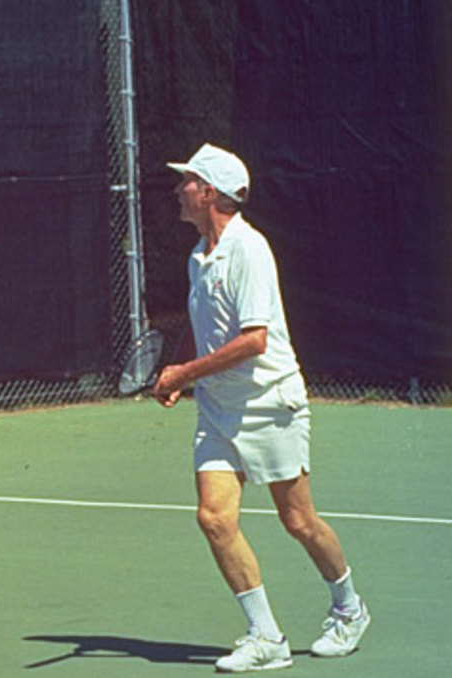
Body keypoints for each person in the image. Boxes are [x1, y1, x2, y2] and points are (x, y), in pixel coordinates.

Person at [152, 143, 370, 672]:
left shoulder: (250, 250)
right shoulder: (197, 256)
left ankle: (349, 609)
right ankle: (266, 635)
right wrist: (181, 368)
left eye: (187, 182)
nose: (177, 189)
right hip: (219, 413)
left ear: (209, 193)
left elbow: (253, 341)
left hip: (271, 405)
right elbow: (202, 326)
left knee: (298, 520)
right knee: (213, 518)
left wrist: (185, 374)